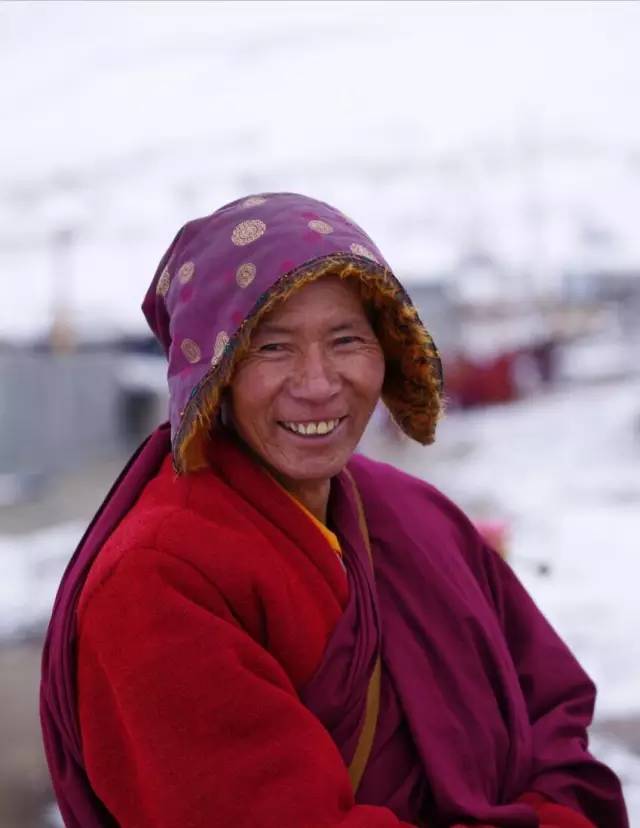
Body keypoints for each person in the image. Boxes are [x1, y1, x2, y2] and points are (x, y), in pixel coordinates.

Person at [40, 192, 628, 828]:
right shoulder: (156, 579)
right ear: (213, 368)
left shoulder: (413, 515)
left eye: (346, 340)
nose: (318, 384)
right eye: (272, 348)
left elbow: (554, 712)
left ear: (389, 348)